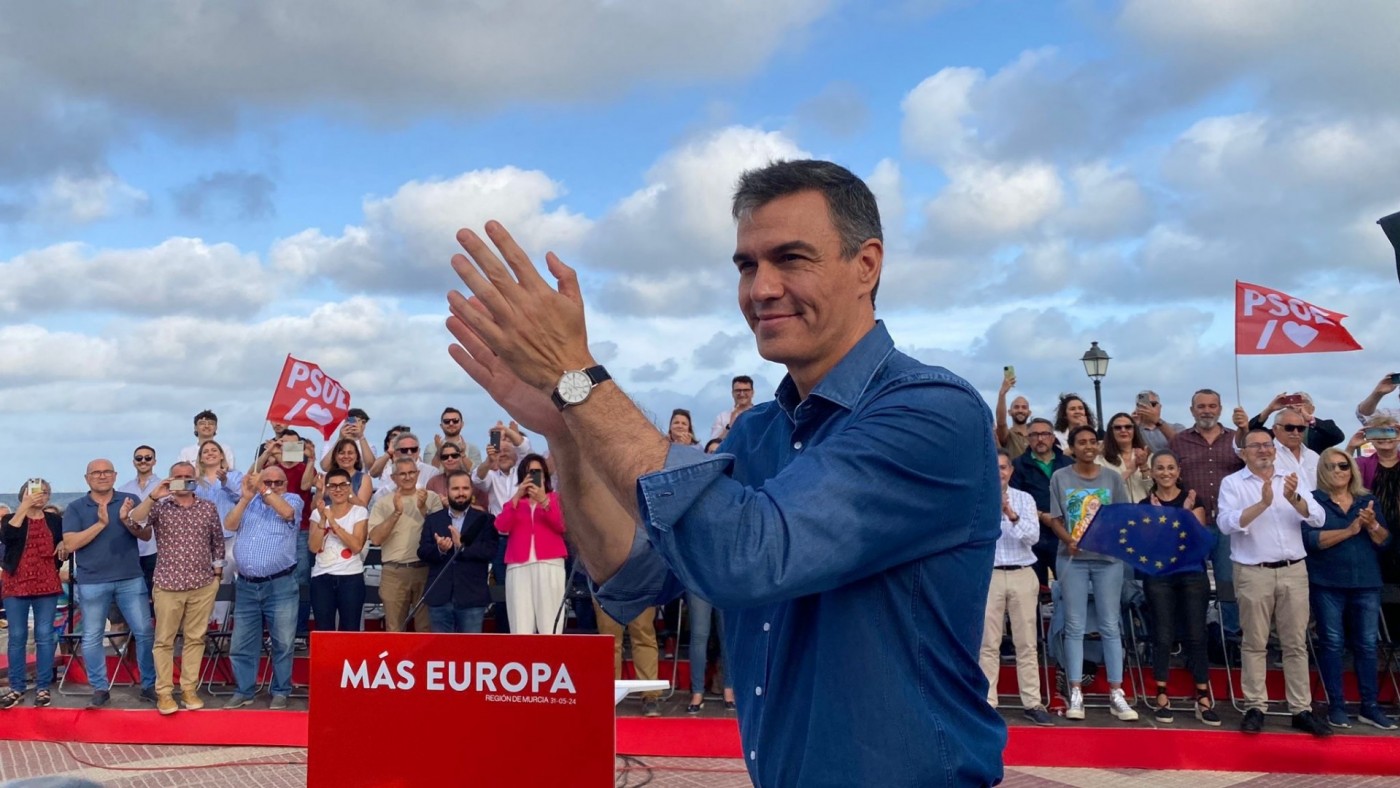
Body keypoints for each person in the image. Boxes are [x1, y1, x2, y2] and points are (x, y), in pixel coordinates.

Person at [445, 159, 1004, 785]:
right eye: (746, 265)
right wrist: (561, 427)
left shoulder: (933, 412)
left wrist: (577, 376)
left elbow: (746, 556)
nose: (761, 288)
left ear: (866, 265)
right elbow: (630, 573)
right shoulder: (756, 431)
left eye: (791, 258)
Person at [1217, 428, 1329, 736]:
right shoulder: (1233, 483)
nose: (1264, 451)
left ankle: (1301, 709)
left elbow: (1317, 517)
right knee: (1254, 642)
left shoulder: (1291, 476)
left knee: (1295, 643)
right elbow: (1226, 524)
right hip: (1254, 571)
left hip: (1294, 569)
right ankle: (1255, 706)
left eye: (1268, 445)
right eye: (1256, 446)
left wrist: (1294, 500)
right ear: (1243, 452)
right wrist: (1263, 504)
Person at [1047, 426, 1137, 722]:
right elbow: (1056, 518)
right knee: (1074, 624)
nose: (1087, 446)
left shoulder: (1111, 477)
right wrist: (1067, 539)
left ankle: (1117, 692)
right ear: (1071, 447)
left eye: (1091, 442)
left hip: (1108, 560)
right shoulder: (1060, 477)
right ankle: (1075, 690)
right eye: (1081, 442)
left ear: (1098, 446)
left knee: (1111, 624)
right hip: (1072, 559)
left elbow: (1123, 516)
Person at [1305, 447, 1396, 730]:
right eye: (1331, 466)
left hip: (1367, 583)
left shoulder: (1367, 500)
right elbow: (1311, 541)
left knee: (1367, 645)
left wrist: (1371, 526)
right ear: (1322, 471)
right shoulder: (1313, 501)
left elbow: (1385, 541)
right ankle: (1337, 706)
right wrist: (1349, 531)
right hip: (1327, 583)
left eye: (1343, 466)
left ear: (1351, 470)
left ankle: (1370, 707)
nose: (1338, 472)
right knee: (1332, 643)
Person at [129, 462, 225, 715]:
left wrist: (217, 576)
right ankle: (164, 693)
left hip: (202, 585)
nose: (183, 480)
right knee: (164, 641)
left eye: (187, 476)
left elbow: (217, 542)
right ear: (171, 479)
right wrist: (154, 494)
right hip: (168, 584)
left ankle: (189, 689)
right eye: (178, 477)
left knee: (195, 639)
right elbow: (136, 520)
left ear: (195, 479)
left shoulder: (208, 508)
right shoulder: (160, 507)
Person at [62, 459, 157, 708]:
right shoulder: (75, 507)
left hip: (130, 577)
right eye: (96, 472)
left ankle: (149, 685)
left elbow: (146, 535)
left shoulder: (129, 500)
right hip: (92, 580)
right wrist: (101, 524)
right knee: (92, 636)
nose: (101, 476)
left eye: (106, 472)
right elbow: (71, 544)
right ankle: (100, 688)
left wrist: (126, 519)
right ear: (87, 478)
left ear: (115, 476)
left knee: (145, 633)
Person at [1138, 451, 1219, 726]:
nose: (1165, 472)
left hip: (1192, 573)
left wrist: (1181, 515)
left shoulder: (1194, 501)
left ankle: (1203, 696)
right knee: (1162, 634)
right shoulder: (1144, 503)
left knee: (1196, 634)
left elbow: (1197, 539)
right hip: (1159, 575)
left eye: (1170, 467)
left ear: (1178, 471)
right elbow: (1149, 546)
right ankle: (1161, 694)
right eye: (1159, 468)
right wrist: (1163, 519)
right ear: (1151, 472)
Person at [979, 450, 1053, 726]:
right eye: (994, 466)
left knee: (1026, 643)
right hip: (991, 575)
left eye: (1003, 467)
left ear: (1010, 471)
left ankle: (1032, 702)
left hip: (1022, 573)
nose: (999, 472)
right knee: (988, 643)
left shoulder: (1024, 498)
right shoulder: (977, 497)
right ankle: (987, 702)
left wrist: (1010, 514)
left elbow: (1032, 537)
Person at [222, 467, 303, 710]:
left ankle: (280, 690)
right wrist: (246, 497)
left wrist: (263, 488)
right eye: (268, 481)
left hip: (280, 584)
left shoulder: (292, 500)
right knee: (242, 643)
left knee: (283, 642)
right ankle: (244, 691)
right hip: (246, 585)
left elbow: (287, 512)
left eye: (278, 482)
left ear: (285, 484)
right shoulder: (250, 501)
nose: (273, 485)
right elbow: (230, 524)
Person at [1169, 389, 1245, 639]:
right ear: (1192, 410)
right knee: (1192, 583)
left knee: (1227, 581)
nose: (1207, 411)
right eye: (1201, 406)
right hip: (1193, 524)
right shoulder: (1179, 442)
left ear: (1220, 409)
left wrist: (1245, 428)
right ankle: (1193, 633)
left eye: (1212, 406)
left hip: (1227, 524)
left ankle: (1230, 633)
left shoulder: (1236, 440)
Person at [1, 480, 65, 709]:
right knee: (17, 636)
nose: (41, 496)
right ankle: (17, 687)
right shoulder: (11, 519)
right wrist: (24, 507)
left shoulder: (55, 520)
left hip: (46, 581)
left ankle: (42, 687)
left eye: (45, 492)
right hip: (16, 581)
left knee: (44, 635)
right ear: (23, 494)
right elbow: (7, 537)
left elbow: (62, 540)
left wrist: (63, 544)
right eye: (35, 492)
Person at [368, 457, 443, 632]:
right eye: (402, 474)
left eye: (411, 473)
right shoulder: (382, 503)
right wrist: (396, 513)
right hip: (394, 572)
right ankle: (396, 660)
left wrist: (424, 509)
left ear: (418, 474)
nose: (408, 477)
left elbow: (439, 534)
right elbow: (376, 539)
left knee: (425, 628)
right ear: (393, 478)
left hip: (425, 570)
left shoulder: (431, 498)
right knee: (394, 629)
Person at [495, 453, 567, 634]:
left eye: (537, 472)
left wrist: (544, 501)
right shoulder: (515, 503)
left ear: (545, 475)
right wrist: (517, 496)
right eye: (528, 473)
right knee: (520, 624)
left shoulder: (556, 499)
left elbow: (562, 526)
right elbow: (501, 526)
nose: (533, 477)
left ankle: (551, 660)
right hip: (519, 565)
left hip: (550, 563)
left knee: (550, 625)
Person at [417, 471, 497, 633]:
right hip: (440, 596)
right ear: (447, 491)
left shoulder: (484, 519)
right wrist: (440, 549)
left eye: (465, 488)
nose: (461, 493)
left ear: (471, 491)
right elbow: (422, 551)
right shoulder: (434, 519)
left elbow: (490, 551)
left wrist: (463, 546)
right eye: (456, 489)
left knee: (469, 653)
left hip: (471, 597)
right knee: (440, 653)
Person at [1010, 417, 1072, 585]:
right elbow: (1014, 499)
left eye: (1045, 434)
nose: (1040, 439)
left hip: (1064, 535)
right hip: (1032, 536)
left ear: (1053, 437)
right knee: (1035, 589)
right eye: (1034, 435)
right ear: (1028, 439)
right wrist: (1042, 515)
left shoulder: (1069, 464)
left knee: (1068, 586)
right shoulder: (1017, 466)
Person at [309, 468, 369, 632]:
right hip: (322, 578)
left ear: (349, 487)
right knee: (323, 630)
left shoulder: (359, 512)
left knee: (350, 629)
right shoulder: (317, 513)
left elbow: (356, 546)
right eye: (333, 486)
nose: (338, 489)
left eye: (343, 485)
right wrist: (323, 518)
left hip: (350, 577)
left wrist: (333, 523)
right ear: (327, 489)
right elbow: (314, 547)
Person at [117, 446, 161, 594]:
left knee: (156, 593)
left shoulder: (163, 487)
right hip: (131, 550)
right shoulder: (123, 489)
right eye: (139, 458)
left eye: (148, 458)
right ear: (134, 462)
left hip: (157, 548)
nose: (143, 461)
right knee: (133, 593)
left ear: (154, 461)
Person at [1247, 392, 1343, 455]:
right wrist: (1270, 409)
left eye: (1303, 402)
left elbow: (1338, 436)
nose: (1297, 405)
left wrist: (1309, 419)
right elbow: (1250, 431)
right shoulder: (1278, 430)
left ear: (1312, 409)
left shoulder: (1321, 429)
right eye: (1292, 401)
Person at [1099, 412, 1151, 504]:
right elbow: (1103, 491)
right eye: (1118, 427)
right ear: (1111, 431)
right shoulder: (1100, 459)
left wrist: (1144, 467)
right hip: (1117, 511)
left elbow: (1153, 491)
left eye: (1128, 427)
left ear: (1134, 430)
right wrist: (1129, 471)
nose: (1123, 430)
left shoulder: (1148, 455)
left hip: (1144, 512)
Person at [325, 437, 374, 507]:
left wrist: (349, 493)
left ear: (357, 457)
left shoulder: (364, 478)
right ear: (335, 457)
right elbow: (314, 507)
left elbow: (363, 507)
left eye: (350, 453)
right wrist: (319, 492)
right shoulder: (326, 478)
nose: (346, 456)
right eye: (342, 453)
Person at [995, 372, 1032, 458]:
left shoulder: (1035, 436)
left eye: (1024, 407)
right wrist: (1002, 393)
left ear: (1029, 413)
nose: (1020, 410)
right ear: (1009, 412)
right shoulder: (1008, 435)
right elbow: (1001, 423)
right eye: (1016, 407)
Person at [710, 375, 756, 441]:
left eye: (746, 390)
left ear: (752, 392)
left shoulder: (761, 414)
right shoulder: (721, 417)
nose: (742, 394)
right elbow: (714, 446)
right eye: (738, 391)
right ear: (732, 393)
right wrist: (730, 425)